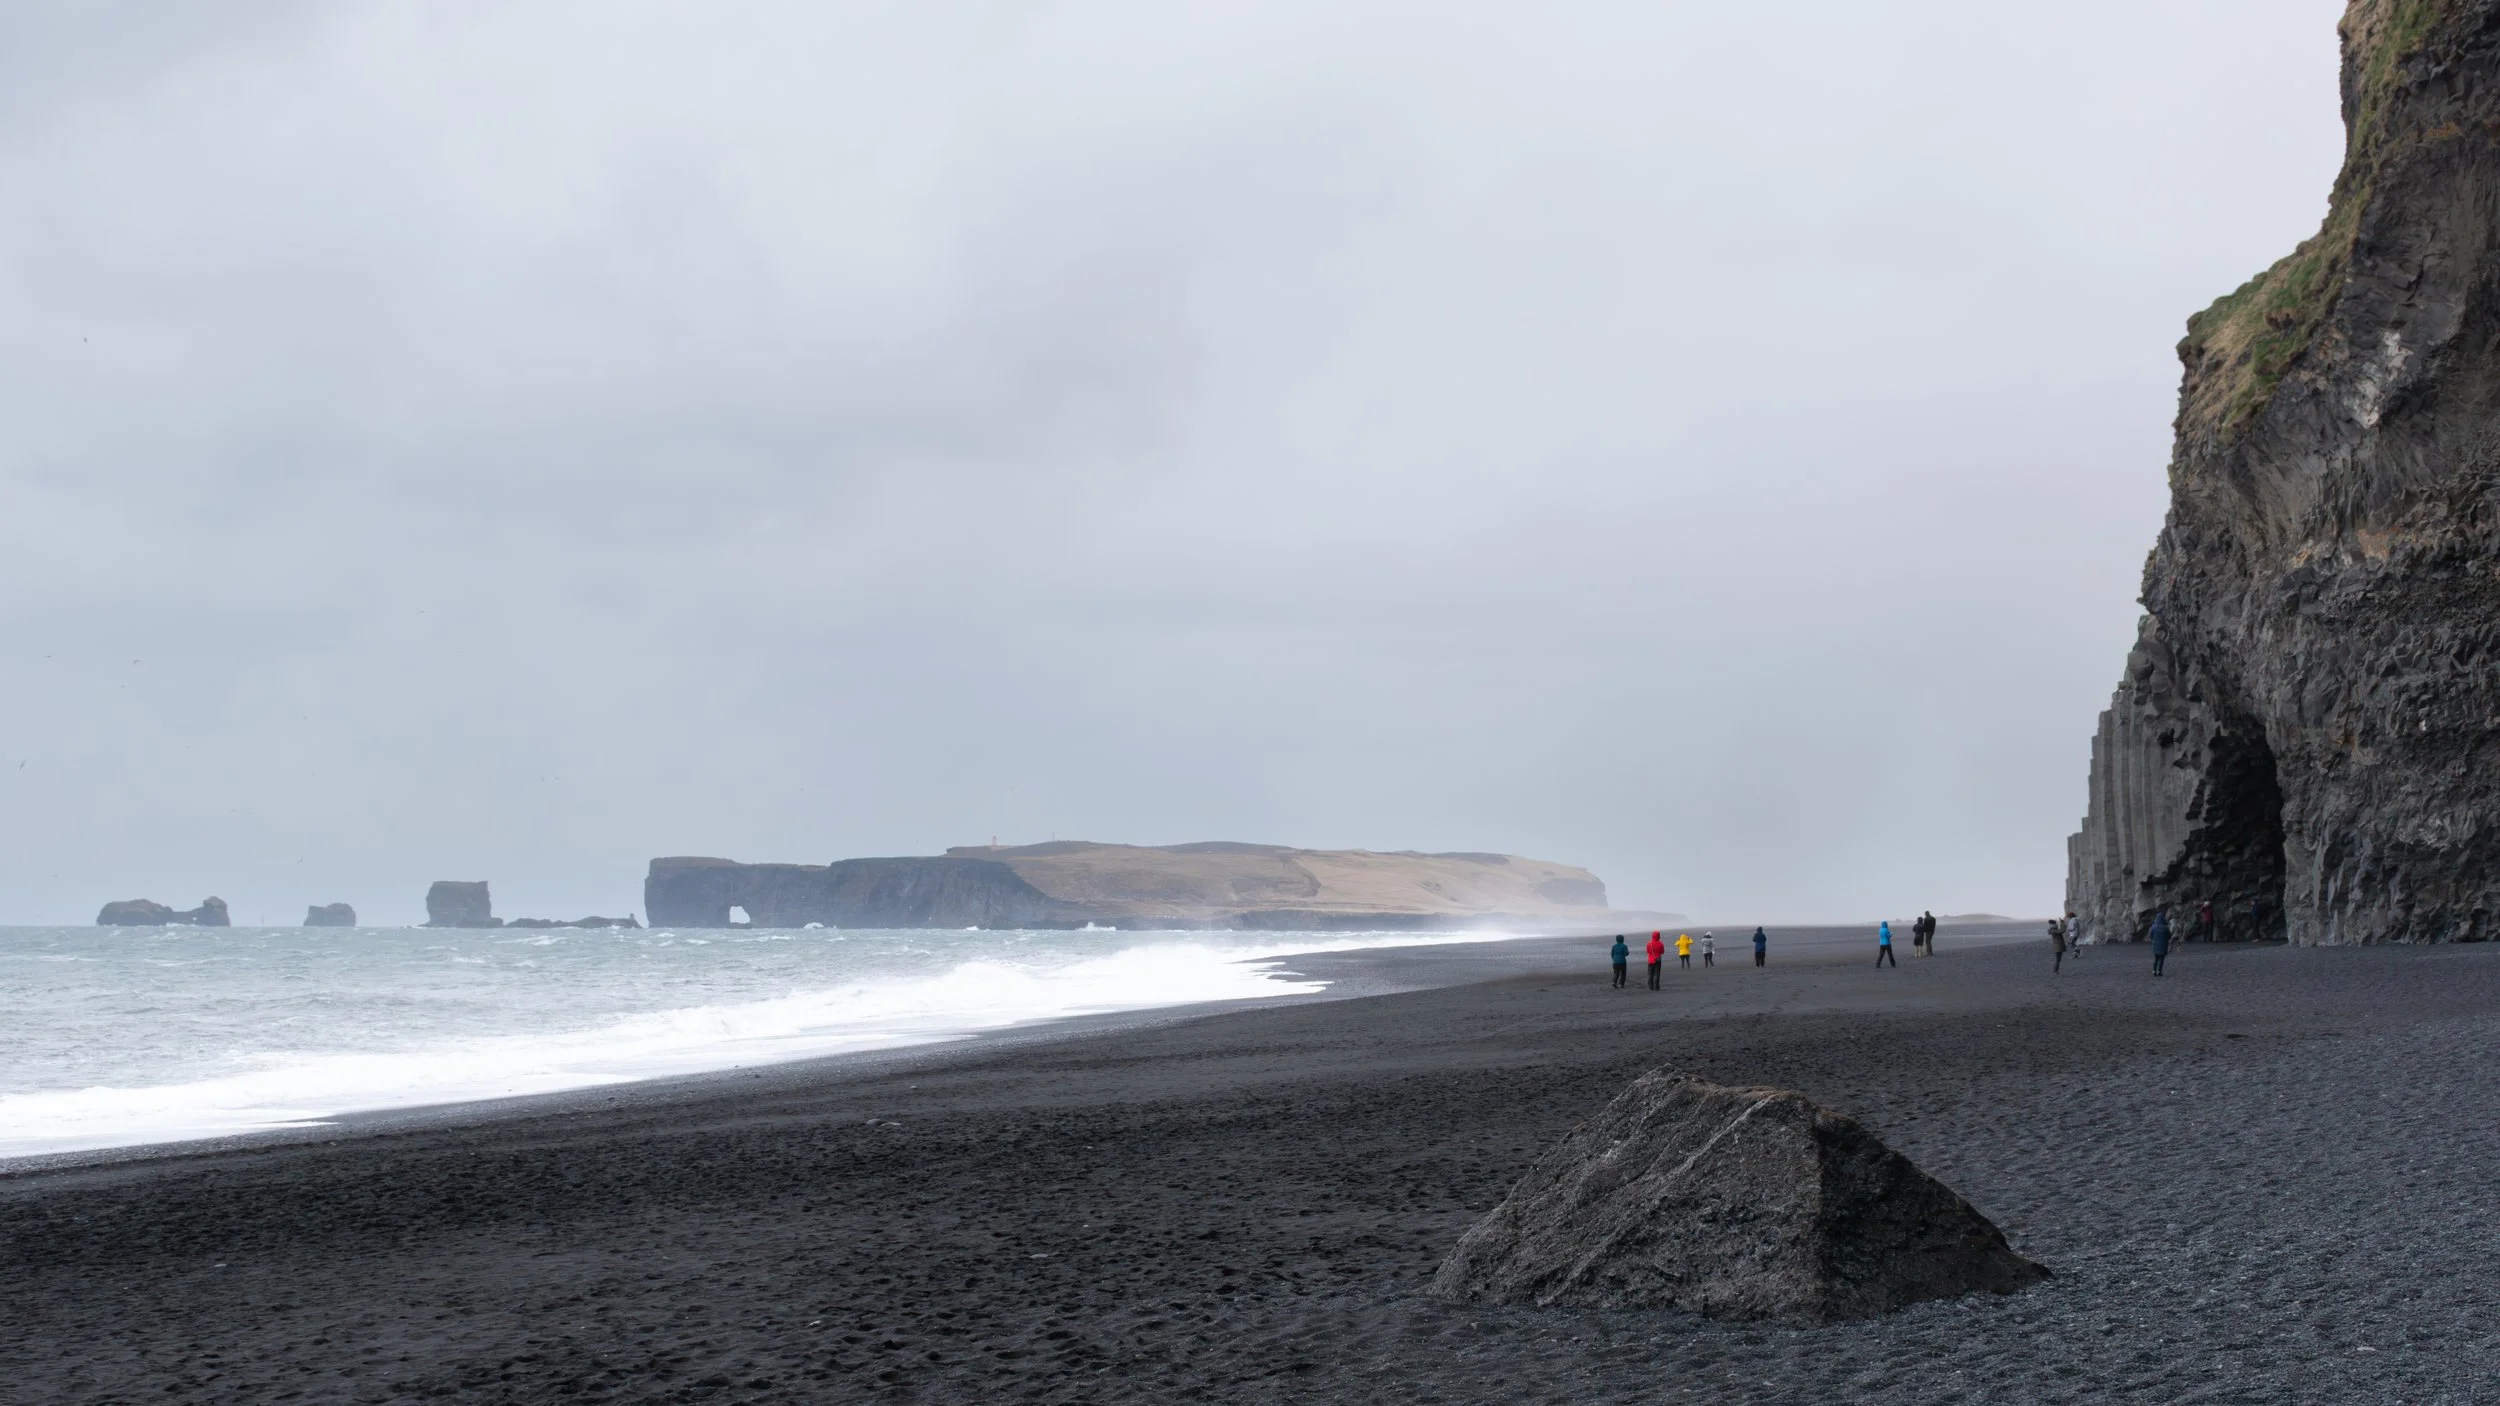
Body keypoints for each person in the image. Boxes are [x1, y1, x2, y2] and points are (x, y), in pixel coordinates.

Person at [2149, 909, 2172, 976]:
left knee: (2156, 959)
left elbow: (2150, 935)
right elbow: (2169, 936)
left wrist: (2153, 939)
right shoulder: (2165, 927)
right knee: (2161, 959)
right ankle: (2159, 971)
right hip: (2163, 945)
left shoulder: (2153, 927)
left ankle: (2154, 971)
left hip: (2155, 945)